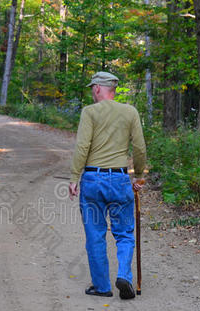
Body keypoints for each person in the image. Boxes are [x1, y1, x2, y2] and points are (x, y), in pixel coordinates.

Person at [68, 71, 146, 299]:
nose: (92, 91)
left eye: (93, 87)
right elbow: (140, 148)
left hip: (93, 180)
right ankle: (124, 275)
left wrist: (74, 177)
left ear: (98, 88)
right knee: (124, 233)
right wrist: (138, 175)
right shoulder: (130, 112)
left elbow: (82, 147)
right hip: (120, 180)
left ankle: (102, 286)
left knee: (95, 234)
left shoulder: (89, 112)